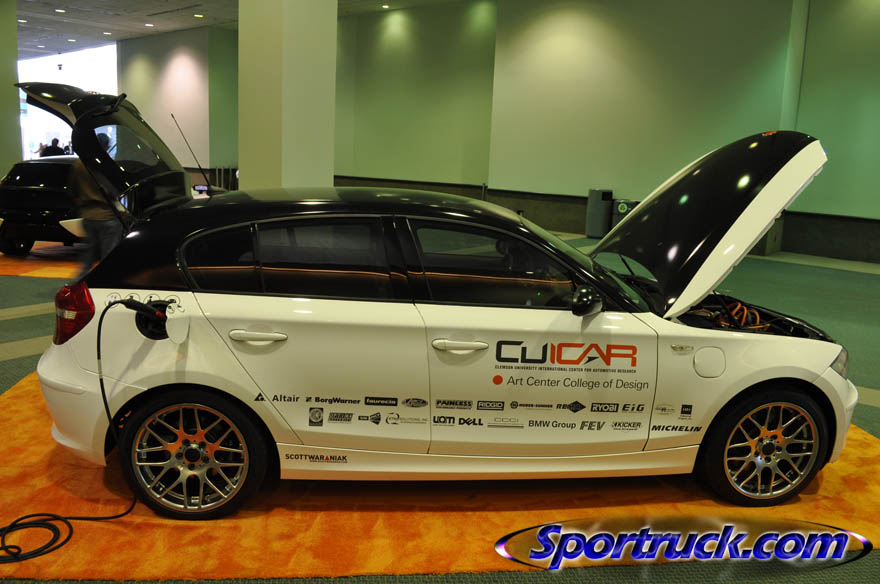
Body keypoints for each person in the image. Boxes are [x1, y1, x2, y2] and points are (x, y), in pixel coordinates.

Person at [70, 133, 123, 278]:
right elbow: (114, 190)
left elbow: (73, 190)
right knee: (108, 255)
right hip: (107, 216)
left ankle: (81, 280)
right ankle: (107, 281)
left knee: (89, 253)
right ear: (105, 146)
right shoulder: (105, 163)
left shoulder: (79, 163)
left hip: (87, 216)